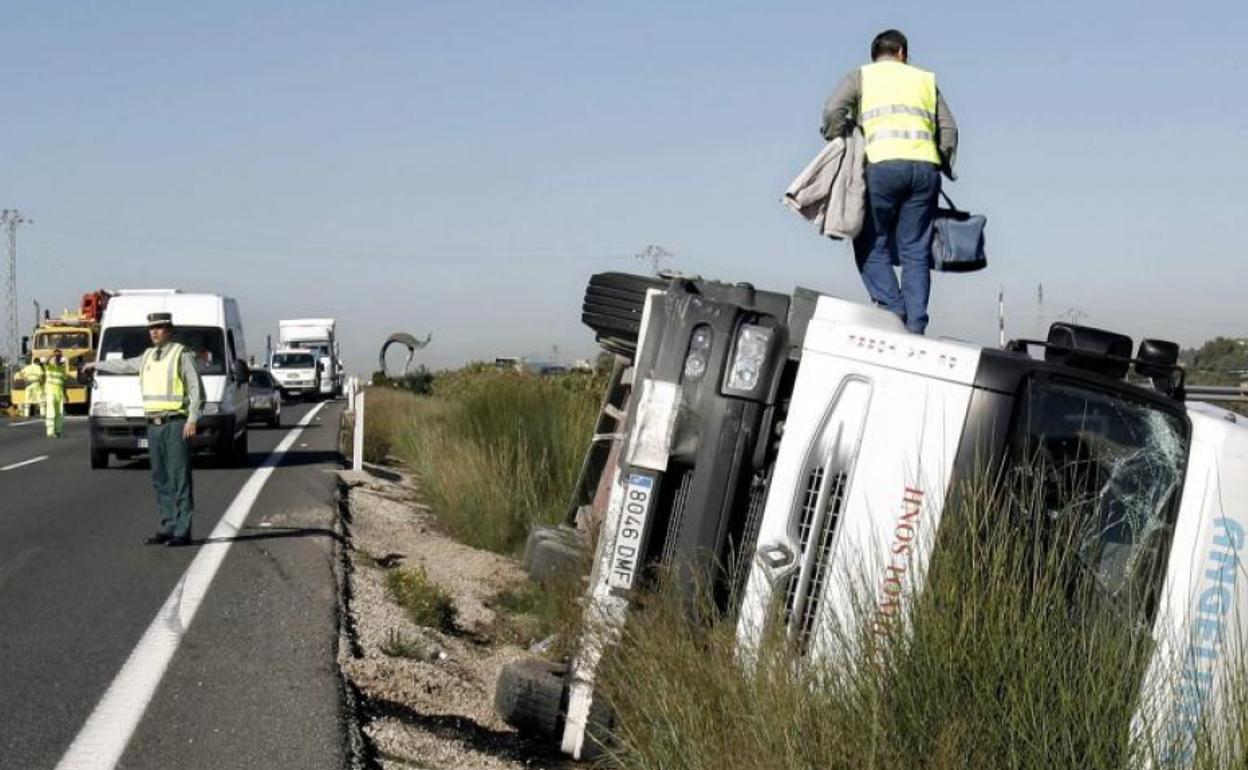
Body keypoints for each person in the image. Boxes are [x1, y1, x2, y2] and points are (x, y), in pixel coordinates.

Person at [821, 28, 959, 334]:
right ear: (902, 53)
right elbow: (948, 129)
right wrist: (942, 162)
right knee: (915, 249)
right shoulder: (924, 80)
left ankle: (893, 311)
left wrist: (837, 135)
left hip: (881, 167)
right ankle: (916, 325)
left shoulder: (862, 76)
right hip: (925, 171)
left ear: (876, 56)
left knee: (870, 241)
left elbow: (833, 110)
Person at [84, 313, 204, 547]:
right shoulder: (148, 356)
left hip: (175, 423)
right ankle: (167, 525)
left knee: (179, 477)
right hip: (153, 424)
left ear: (169, 329)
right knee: (160, 478)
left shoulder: (182, 354)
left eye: (159, 327)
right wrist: (95, 364)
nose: (154, 332)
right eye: (151, 328)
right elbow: (124, 365)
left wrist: (192, 419)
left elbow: (196, 389)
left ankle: (182, 530)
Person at [43, 350, 68, 437]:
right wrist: (52, 355)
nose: (58, 358)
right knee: (51, 411)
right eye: (56, 357)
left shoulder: (62, 369)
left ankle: (58, 431)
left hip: (59, 394)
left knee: (59, 413)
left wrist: (66, 395)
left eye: (59, 357)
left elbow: (64, 383)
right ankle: (50, 432)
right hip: (50, 393)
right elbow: (45, 362)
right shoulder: (49, 367)